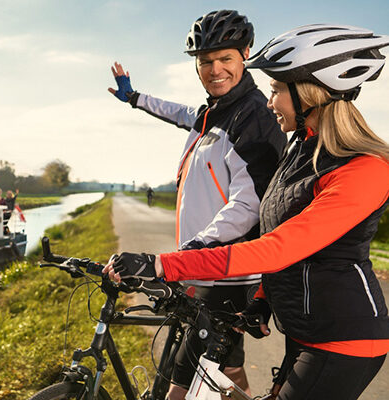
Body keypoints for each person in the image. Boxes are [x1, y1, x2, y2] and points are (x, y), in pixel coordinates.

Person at [105, 24, 389, 400]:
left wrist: (164, 264)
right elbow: (280, 238)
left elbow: (281, 247)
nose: (269, 103)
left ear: (309, 95)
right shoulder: (301, 151)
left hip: (343, 338)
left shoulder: (365, 170)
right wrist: (260, 302)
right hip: (303, 330)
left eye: (275, 91)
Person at [108, 10, 286, 398]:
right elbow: (180, 113)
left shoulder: (254, 117)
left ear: (245, 54)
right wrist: (135, 98)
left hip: (226, 273)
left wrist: (183, 256)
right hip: (203, 270)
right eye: (206, 62)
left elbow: (248, 205)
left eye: (226, 59)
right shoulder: (214, 113)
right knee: (229, 368)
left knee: (179, 387)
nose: (215, 69)